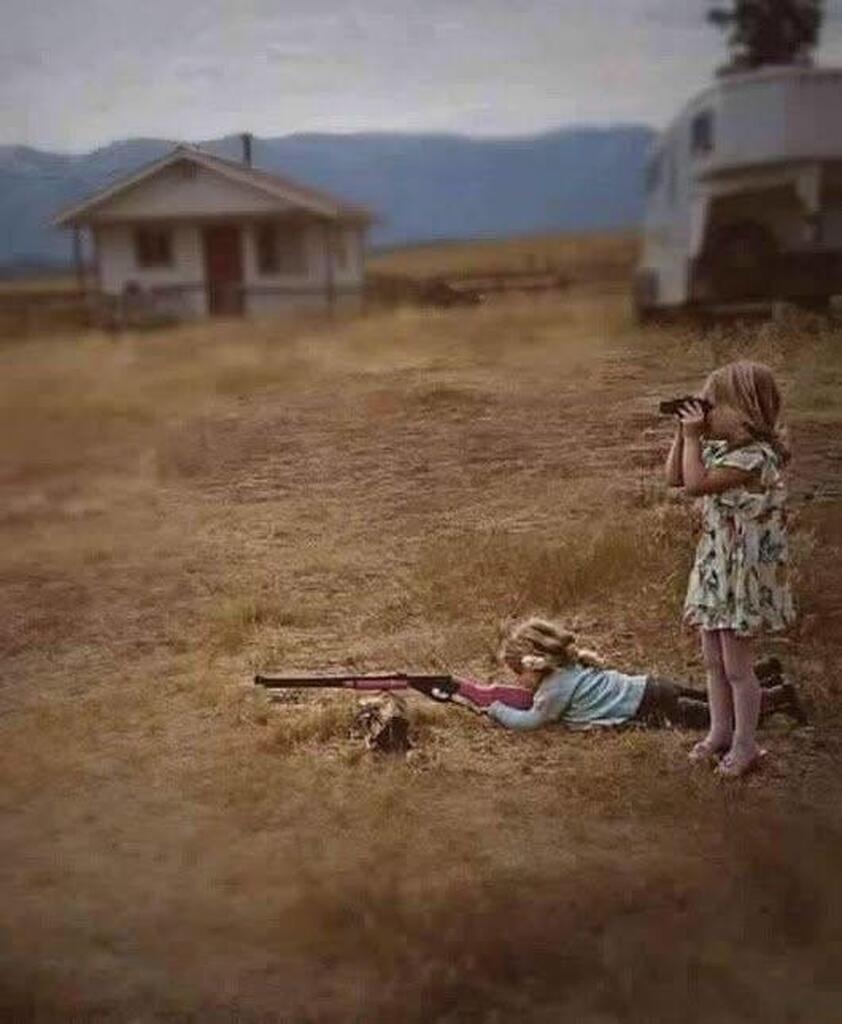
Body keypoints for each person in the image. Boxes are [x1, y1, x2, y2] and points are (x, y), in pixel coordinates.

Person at [664, 360, 796, 777]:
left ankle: (746, 745)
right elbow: (675, 479)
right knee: (713, 660)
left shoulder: (755, 457)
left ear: (746, 410)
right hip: (717, 567)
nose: (706, 414)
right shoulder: (721, 449)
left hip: (741, 572)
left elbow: (698, 485)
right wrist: (681, 437)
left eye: (712, 406)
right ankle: (719, 732)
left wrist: (691, 439)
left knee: (738, 668)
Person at [458, 616, 803, 732]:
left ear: (533, 666)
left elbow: (532, 721)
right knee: (704, 693)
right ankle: (762, 674)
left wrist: (497, 711)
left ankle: (777, 699)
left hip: (646, 707)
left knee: (714, 717)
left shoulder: (551, 693)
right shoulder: (569, 665)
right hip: (648, 686)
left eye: (517, 674)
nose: (518, 681)